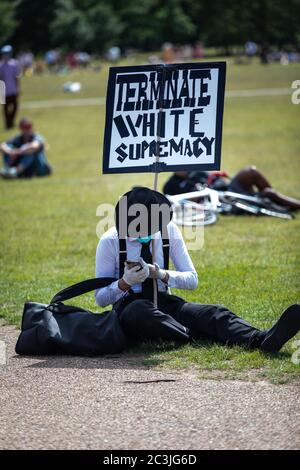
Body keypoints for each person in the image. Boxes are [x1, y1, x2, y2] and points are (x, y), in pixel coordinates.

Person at [95, 186, 300, 353]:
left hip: (165, 303)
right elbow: (100, 298)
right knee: (139, 311)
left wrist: (160, 274)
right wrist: (125, 282)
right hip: (131, 309)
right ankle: (191, 333)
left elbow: (192, 280)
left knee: (213, 313)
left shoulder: (169, 231)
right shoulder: (110, 242)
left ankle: (260, 338)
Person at [163, 166, 300, 210]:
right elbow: (179, 205)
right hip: (224, 200)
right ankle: (272, 201)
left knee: (250, 171)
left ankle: (272, 202)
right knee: (268, 193)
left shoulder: (196, 170)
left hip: (229, 189)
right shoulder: (170, 185)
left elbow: (217, 179)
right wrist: (198, 193)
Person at [0, 45, 21, 129]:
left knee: (15, 107)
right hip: (3, 90)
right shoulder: (0, 66)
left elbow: (16, 77)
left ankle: (11, 122)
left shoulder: (14, 64)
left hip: (13, 89)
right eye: (5, 53)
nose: (6, 55)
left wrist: (18, 88)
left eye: (7, 53)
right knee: (5, 108)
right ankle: (8, 124)